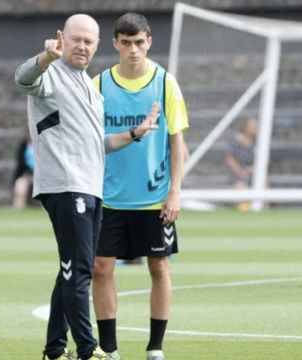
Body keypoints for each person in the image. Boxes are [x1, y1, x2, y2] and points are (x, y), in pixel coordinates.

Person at [13, 14, 160, 360]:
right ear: (63, 38)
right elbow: (22, 79)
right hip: (66, 185)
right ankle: (87, 350)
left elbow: (96, 144)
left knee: (71, 267)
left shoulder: (88, 86)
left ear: (97, 46)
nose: (82, 46)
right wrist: (46, 56)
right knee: (80, 270)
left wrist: (135, 134)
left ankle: (54, 350)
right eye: (76, 39)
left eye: (89, 41)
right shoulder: (51, 74)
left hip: (89, 187)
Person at [91, 13, 189, 360]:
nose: (133, 49)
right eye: (126, 42)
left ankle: (155, 347)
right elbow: (89, 139)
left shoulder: (165, 83)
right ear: (116, 44)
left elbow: (177, 142)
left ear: (149, 41)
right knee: (101, 268)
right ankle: (110, 348)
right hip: (108, 196)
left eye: (139, 42)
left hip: (153, 197)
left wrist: (175, 190)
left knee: (159, 267)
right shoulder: (99, 85)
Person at [223, 117, 257, 212]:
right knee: (241, 186)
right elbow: (229, 159)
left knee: (265, 183)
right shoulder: (236, 140)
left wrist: (253, 169)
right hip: (237, 175)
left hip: (253, 174)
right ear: (246, 127)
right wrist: (240, 172)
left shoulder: (257, 141)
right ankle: (244, 210)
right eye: (253, 126)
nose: (255, 128)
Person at [11, 132, 34, 209]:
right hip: (27, 175)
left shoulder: (43, 145)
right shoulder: (24, 145)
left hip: (42, 176)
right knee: (20, 185)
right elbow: (21, 164)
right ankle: (18, 209)